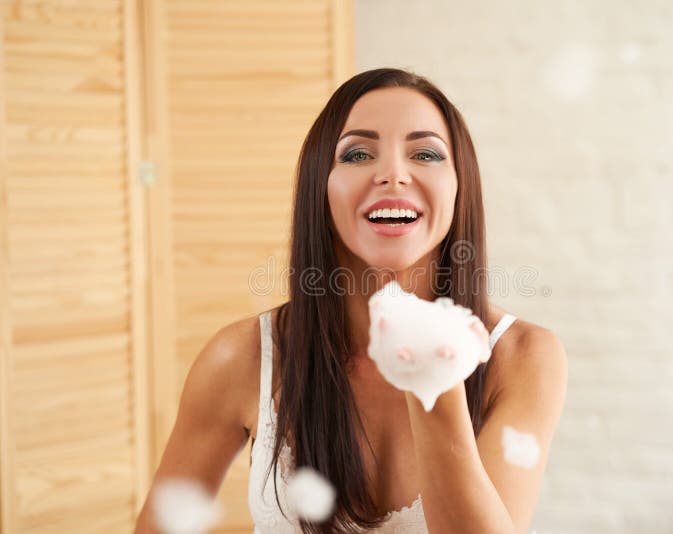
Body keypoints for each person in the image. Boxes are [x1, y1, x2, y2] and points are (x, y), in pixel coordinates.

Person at [135, 67, 568, 534]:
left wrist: (433, 383)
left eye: (425, 153)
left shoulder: (525, 358)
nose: (393, 175)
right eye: (358, 153)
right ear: (320, 187)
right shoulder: (241, 357)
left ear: (459, 188)